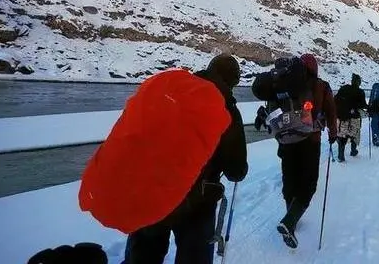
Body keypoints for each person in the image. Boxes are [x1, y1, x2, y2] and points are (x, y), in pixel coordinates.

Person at [120, 55, 249, 264]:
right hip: (197, 204)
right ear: (233, 81)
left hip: (154, 191)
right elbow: (236, 169)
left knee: (142, 257)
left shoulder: (173, 94)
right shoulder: (228, 111)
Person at [252, 54, 337, 249]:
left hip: (286, 140)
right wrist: (333, 133)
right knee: (308, 184)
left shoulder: (283, 85)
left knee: (290, 179)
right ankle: (290, 221)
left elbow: (273, 110)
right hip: (310, 140)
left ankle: (291, 215)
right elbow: (331, 111)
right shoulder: (321, 85)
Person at [334, 73, 368, 162]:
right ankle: (353, 151)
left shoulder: (343, 88)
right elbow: (363, 105)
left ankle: (341, 155)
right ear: (358, 82)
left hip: (342, 117)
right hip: (355, 117)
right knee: (355, 134)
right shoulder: (360, 92)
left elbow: (335, 100)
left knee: (342, 135)